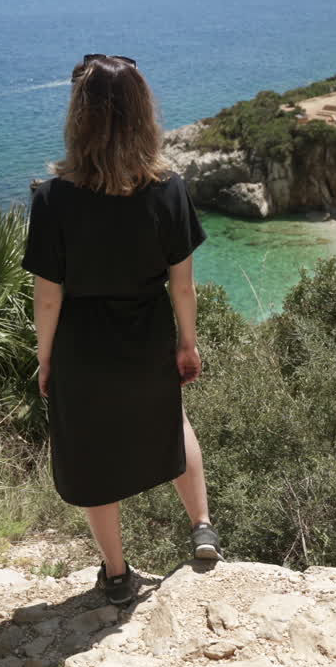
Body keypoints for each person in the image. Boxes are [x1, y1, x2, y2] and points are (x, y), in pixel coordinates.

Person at [20, 54, 220, 606]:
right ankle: (202, 526)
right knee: (170, 418)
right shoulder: (169, 190)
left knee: (91, 449)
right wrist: (187, 343)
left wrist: (46, 357)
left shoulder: (51, 200)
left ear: (78, 117)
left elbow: (47, 295)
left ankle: (115, 573)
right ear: (143, 114)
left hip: (83, 343)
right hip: (147, 331)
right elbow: (182, 286)